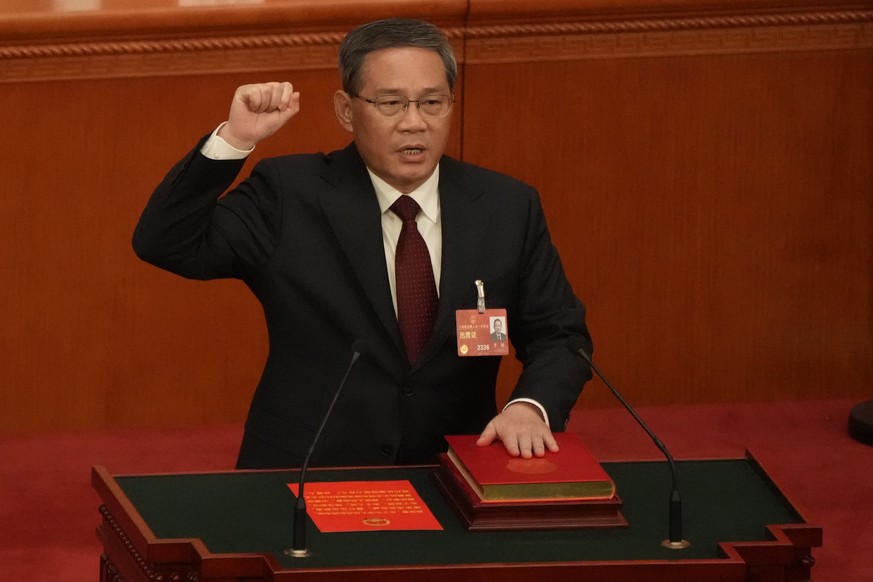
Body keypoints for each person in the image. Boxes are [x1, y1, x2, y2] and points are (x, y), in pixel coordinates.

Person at [133, 18, 593, 470]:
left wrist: (531, 406)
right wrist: (234, 140)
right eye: (390, 103)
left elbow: (559, 334)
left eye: (432, 102)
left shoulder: (504, 207)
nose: (414, 123)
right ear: (346, 110)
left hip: (452, 475)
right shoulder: (288, 195)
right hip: (307, 475)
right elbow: (166, 242)